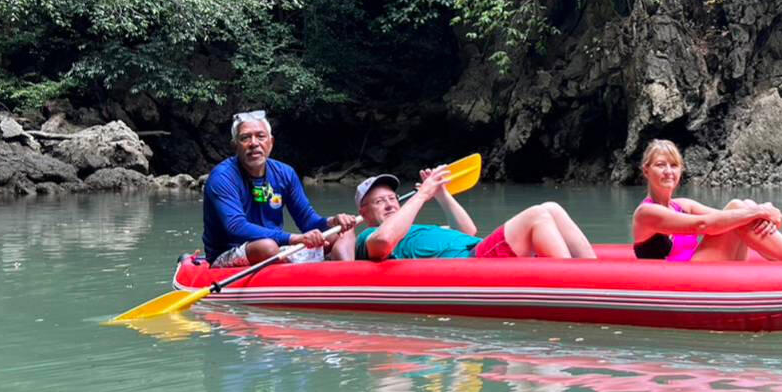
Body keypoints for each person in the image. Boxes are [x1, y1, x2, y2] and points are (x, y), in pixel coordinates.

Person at [202, 110, 358, 267]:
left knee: (338, 233)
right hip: (231, 252)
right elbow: (236, 226)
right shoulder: (222, 177)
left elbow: (308, 221)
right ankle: (296, 277)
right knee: (267, 247)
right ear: (235, 146)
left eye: (260, 136)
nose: (254, 143)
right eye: (245, 138)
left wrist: (333, 221)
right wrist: (294, 238)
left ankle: (346, 277)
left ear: (271, 142)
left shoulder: (285, 173)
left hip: (278, 249)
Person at [354, 166, 596, 261]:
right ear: (364, 213)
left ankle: (591, 269)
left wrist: (441, 194)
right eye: (379, 202)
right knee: (537, 215)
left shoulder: (417, 230)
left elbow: (468, 230)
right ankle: (570, 278)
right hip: (476, 260)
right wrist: (422, 195)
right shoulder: (369, 235)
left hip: (478, 249)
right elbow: (384, 242)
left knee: (551, 208)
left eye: (392, 199)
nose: (389, 205)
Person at [631, 138, 782, 262]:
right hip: (679, 280)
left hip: (703, 271)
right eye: (660, 165)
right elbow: (703, 225)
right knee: (742, 209)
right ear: (646, 170)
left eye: (674, 165)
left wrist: (765, 213)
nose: (669, 172)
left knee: (742, 206)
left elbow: (735, 218)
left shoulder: (683, 205)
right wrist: (761, 211)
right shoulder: (646, 213)